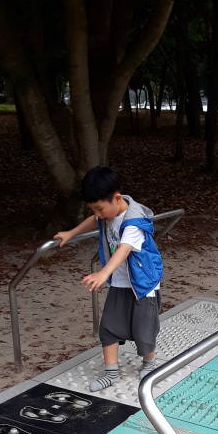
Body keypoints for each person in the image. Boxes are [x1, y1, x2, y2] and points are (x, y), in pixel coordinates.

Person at [54, 166, 163, 392]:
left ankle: (149, 363)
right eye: (95, 209)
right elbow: (94, 220)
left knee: (144, 330)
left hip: (142, 284)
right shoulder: (106, 212)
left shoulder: (134, 221)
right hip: (121, 282)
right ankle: (111, 372)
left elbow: (123, 250)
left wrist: (103, 273)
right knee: (109, 328)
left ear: (116, 198)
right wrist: (71, 233)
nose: (99, 214)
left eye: (100, 208)